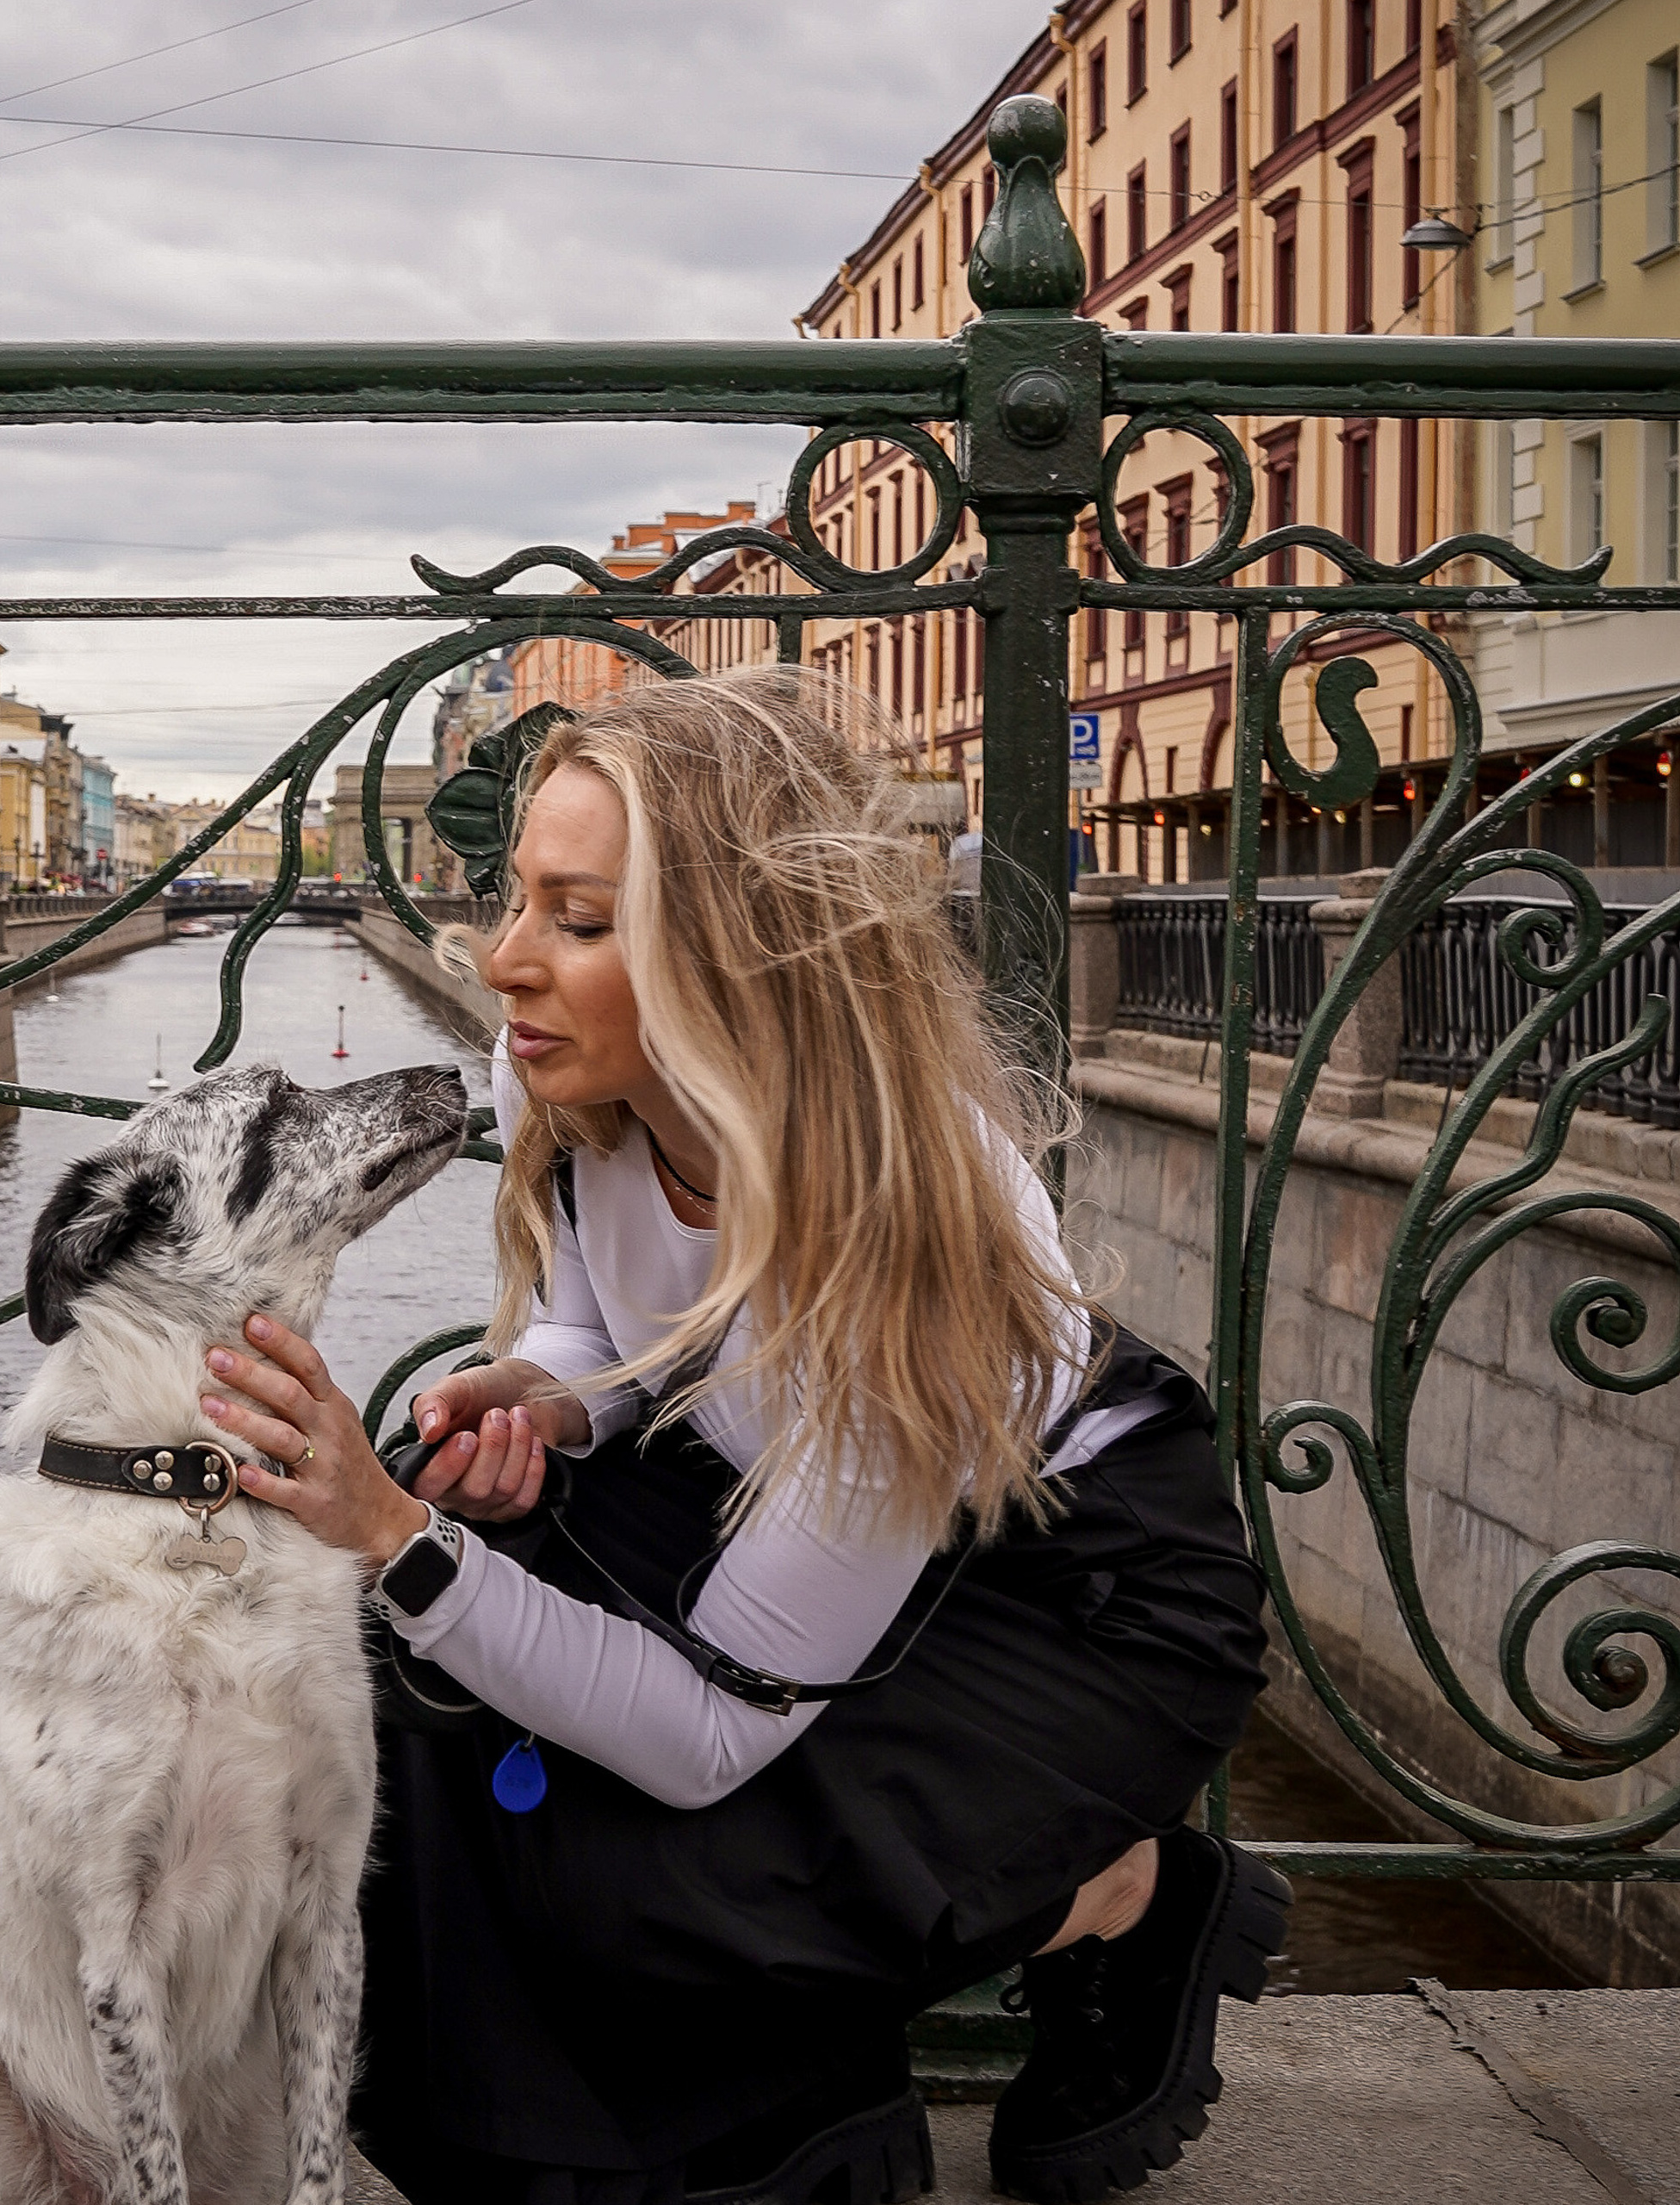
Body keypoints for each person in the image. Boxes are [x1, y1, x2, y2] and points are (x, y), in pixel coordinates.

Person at [198, 668, 1280, 2205]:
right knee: (425, 1690)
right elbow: (614, 1314)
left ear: (735, 962)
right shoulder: (557, 1070)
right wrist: (561, 1395)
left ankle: (1116, 1897)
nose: (503, 964)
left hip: (1057, 1592)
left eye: (580, 923)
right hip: (776, 1489)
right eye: (518, 903)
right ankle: (646, 2130)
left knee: (693, 1847)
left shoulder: (894, 1239)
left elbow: (708, 1732)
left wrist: (390, 1532)